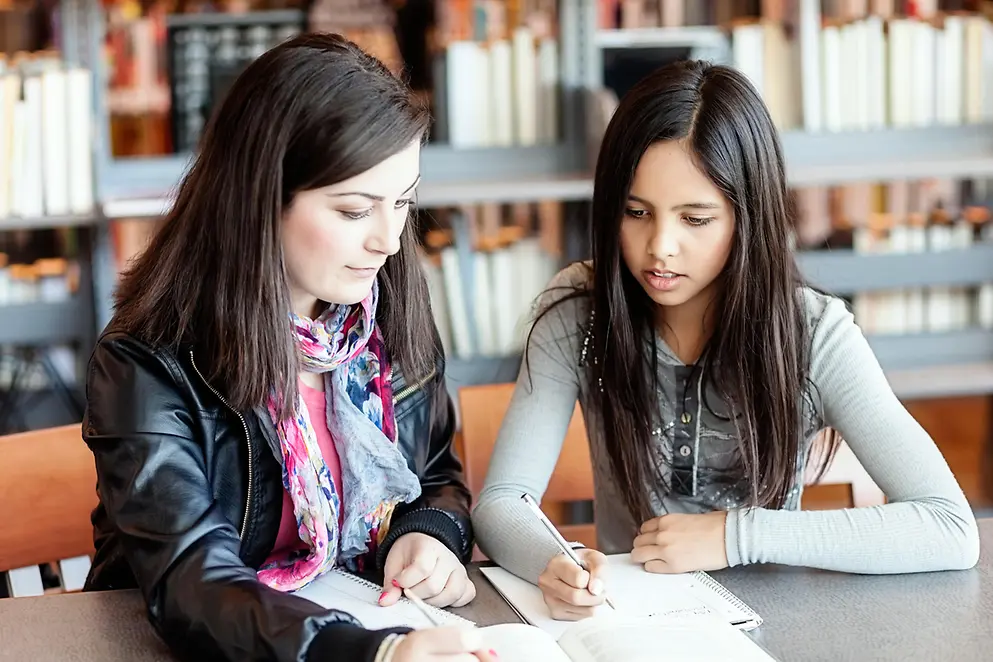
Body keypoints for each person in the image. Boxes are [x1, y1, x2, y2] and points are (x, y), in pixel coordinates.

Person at [471, 59, 981, 621]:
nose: (659, 246)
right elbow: (501, 503)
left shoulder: (812, 332)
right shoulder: (582, 309)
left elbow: (949, 527)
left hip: (778, 624)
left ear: (748, 217)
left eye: (695, 219)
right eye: (636, 212)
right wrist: (555, 563)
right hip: (631, 624)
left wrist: (736, 535)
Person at [82, 33, 496, 662]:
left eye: (404, 203)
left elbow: (436, 475)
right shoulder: (146, 364)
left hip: (369, 615)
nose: (388, 240)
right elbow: (193, 584)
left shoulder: (385, 312)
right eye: (355, 210)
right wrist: (371, 654)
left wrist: (429, 534)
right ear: (261, 200)